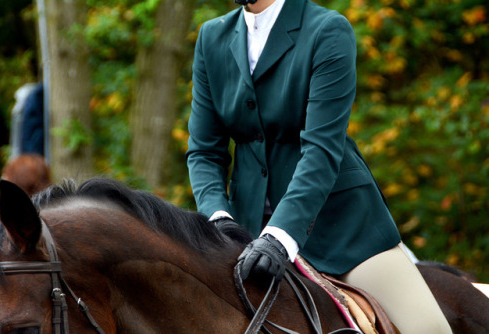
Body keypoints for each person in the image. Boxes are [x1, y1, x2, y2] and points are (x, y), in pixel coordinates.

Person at [186, 0, 452, 333]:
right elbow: (204, 151)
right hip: (245, 233)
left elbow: (321, 150)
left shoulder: (327, 30)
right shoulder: (212, 36)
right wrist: (219, 220)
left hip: (340, 229)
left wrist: (281, 237)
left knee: (429, 329)